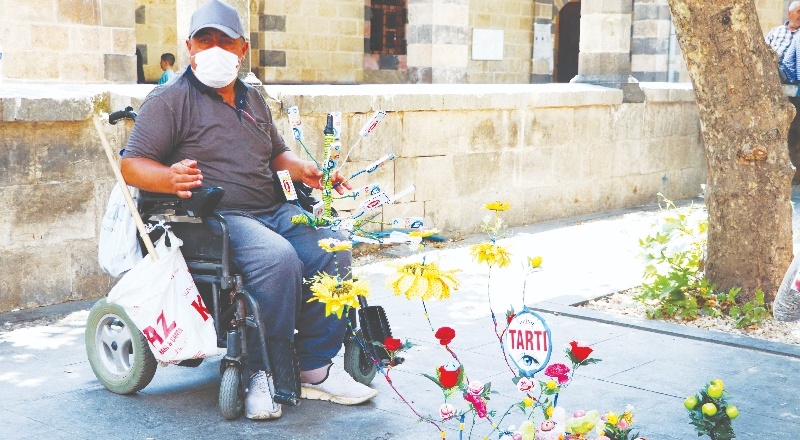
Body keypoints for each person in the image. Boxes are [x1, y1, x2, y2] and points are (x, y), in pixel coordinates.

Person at [120, 0, 377, 421]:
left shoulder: (253, 98)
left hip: (274, 208)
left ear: (243, 48)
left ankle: (314, 365)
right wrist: (169, 177)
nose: (215, 48)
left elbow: (276, 153)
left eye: (226, 41)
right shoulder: (169, 100)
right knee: (277, 260)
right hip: (217, 219)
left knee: (333, 246)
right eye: (206, 40)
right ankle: (259, 372)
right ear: (190, 46)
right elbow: (132, 163)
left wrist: (305, 170)